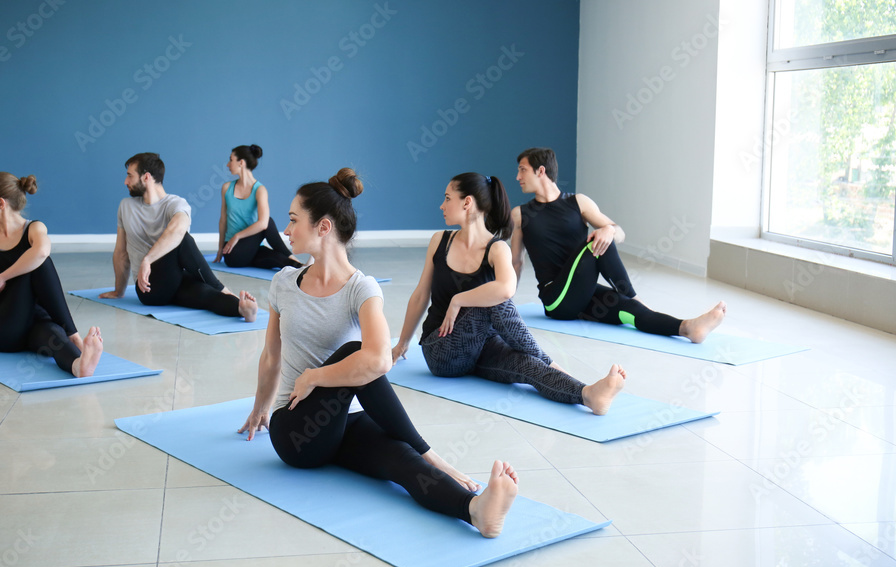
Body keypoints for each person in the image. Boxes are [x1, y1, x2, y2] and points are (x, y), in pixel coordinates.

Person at [239, 169, 518, 538]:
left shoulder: (362, 289)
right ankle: (433, 455)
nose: (286, 230)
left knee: (399, 458)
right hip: (294, 432)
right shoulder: (283, 283)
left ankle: (474, 511)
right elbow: (271, 356)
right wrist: (261, 408)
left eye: (293, 220)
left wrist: (315, 376)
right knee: (358, 352)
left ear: (323, 228)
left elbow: (380, 361)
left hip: (339, 422)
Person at [393, 172, 626, 415]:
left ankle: (588, 395)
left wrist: (458, 300)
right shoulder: (440, 241)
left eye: (447, 198)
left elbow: (507, 288)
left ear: (467, 202)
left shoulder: (497, 248)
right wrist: (401, 345)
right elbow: (421, 295)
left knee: (527, 366)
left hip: (485, 346)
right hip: (443, 350)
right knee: (494, 300)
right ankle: (554, 364)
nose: (442, 205)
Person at [510, 147, 725, 342]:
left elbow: (619, 233)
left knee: (628, 309)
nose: (518, 177)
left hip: (584, 293)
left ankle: (688, 328)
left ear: (540, 171)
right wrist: (506, 303)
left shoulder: (578, 202)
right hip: (556, 301)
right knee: (597, 241)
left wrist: (610, 229)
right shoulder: (520, 215)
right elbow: (516, 262)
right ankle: (635, 296)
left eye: (522, 170)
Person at [0, 172, 103, 377]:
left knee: (54, 336)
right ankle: (75, 336)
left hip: (34, 322)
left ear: (1, 203)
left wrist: (3, 277)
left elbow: (43, 251)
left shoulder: (33, 228)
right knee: (37, 264)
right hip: (2, 328)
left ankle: (78, 365)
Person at [99, 153, 257, 321]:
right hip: (149, 290)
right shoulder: (126, 206)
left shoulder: (176, 204)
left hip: (175, 280)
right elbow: (121, 253)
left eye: (130, 175)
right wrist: (119, 290)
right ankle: (224, 289)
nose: (126, 182)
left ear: (146, 177)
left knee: (206, 294)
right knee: (183, 240)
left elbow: (177, 230)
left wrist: (148, 259)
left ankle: (242, 309)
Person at [214, 144, 302, 270]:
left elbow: (262, 224)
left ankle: (302, 268)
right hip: (233, 252)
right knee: (268, 221)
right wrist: (220, 248)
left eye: (231, 160)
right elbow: (223, 221)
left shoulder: (260, 190)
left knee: (276, 257)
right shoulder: (227, 188)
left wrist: (238, 236)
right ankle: (292, 257)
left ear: (241, 163)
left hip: (250, 248)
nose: (228, 164)